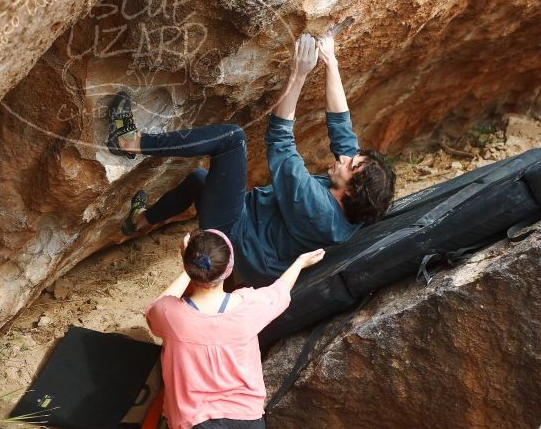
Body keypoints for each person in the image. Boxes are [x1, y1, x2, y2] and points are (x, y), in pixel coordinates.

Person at [106, 32, 395, 286]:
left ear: (351, 190)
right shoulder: (360, 206)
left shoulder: (317, 208)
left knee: (232, 140)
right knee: (199, 181)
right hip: (258, 246)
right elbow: (343, 131)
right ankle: (138, 221)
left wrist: (299, 73)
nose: (345, 159)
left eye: (352, 165)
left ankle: (128, 143)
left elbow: (279, 138)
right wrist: (330, 61)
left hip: (239, 242)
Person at [145, 229, 325, 429]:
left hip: (197, 422)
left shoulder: (170, 315)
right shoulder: (249, 306)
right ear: (228, 269)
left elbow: (154, 308)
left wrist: (187, 269)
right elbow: (280, 290)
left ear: (189, 265)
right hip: (248, 419)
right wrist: (300, 263)